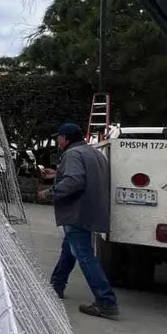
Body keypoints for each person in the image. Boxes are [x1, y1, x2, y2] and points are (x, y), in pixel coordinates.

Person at [48, 122, 120, 319]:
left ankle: (106, 301)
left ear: (66, 138)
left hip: (77, 211)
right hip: (91, 210)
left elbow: (75, 180)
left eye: (59, 137)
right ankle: (57, 285)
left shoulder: (72, 154)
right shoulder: (94, 153)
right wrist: (56, 175)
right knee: (69, 249)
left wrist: (50, 192)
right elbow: (82, 176)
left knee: (84, 255)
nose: (57, 140)